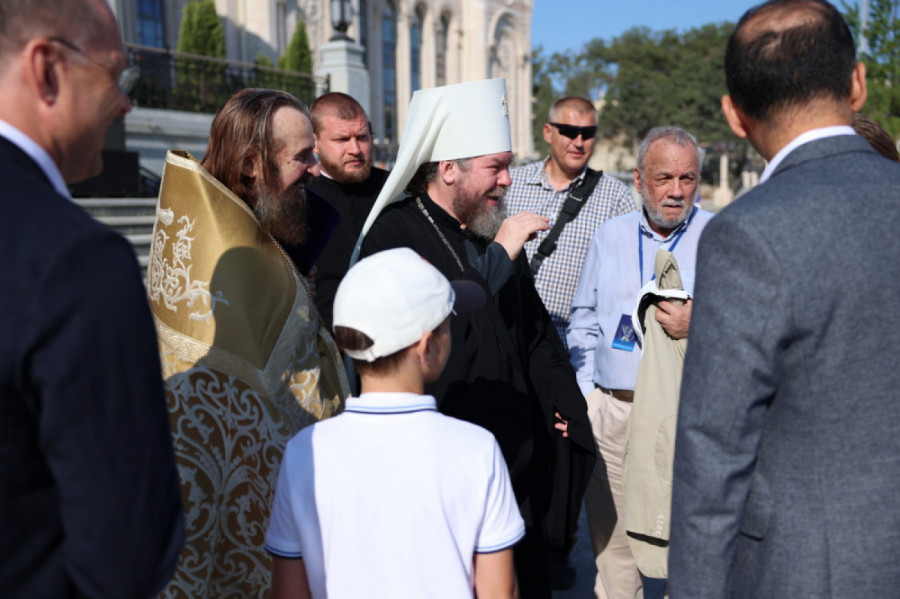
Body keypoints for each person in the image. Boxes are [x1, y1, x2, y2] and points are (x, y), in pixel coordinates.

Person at [668, 1, 900, 597]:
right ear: (857, 82)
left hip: (814, 572)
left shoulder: (748, 233)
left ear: (734, 115)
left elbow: (714, 454)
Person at [357, 78, 596, 599]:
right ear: (449, 169)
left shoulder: (487, 227)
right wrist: (502, 254)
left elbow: (533, 333)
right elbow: (419, 336)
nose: (508, 180)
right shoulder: (394, 236)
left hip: (516, 459)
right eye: (495, 167)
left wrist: (561, 397)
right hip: (444, 465)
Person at [0, 0, 184, 597]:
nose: (126, 102)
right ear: (47, 69)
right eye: (116, 75)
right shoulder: (75, 260)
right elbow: (127, 548)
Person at [147, 88, 349, 598]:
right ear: (253, 164)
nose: (316, 169)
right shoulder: (214, 263)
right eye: (303, 156)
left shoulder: (269, 229)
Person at [266, 247, 523, 599]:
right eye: (448, 325)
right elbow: (500, 592)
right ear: (426, 346)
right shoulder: (477, 450)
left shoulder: (304, 453)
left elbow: (289, 592)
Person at [567, 126, 713, 599]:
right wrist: (590, 392)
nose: (676, 191)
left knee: (685, 545)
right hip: (614, 414)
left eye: (687, 178)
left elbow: (751, 326)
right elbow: (584, 318)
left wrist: (702, 320)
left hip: (686, 419)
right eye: (664, 177)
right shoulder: (609, 236)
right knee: (614, 549)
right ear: (638, 180)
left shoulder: (719, 237)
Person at [507, 96, 634, 346]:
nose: (578, 142)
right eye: (568, 132)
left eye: (587, 134)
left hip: (571, 353)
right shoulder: (511, 184)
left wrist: (623, 347)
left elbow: (630, 284)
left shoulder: (615, 197)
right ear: (548, 132)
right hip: (509, 338)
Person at [306, 92, 390, 329]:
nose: (355, 149)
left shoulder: (393, 190)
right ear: (315, 143)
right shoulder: (300, 197)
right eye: (342, 139)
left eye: (362, 137)